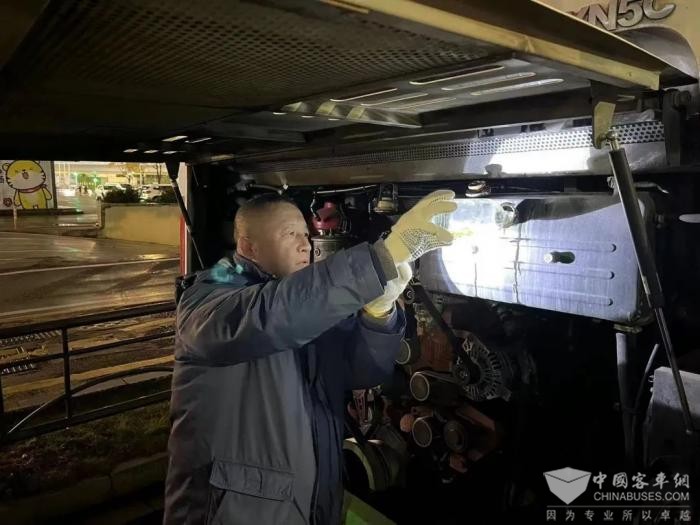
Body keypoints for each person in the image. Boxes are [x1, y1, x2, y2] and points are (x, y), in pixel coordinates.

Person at [164, 190, 457, 525]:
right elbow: (272, 316)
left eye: (306, 234)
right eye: (289, 234)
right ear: (248, 246)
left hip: (310, 507)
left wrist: (378, 313)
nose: (305, 245)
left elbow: (362, 371)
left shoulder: (306, 306)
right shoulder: (207, 301)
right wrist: (379, 260)